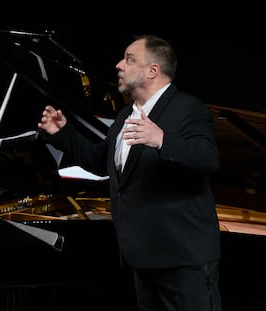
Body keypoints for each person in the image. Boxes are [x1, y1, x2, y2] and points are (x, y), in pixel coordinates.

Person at [38, 34, 222, 311]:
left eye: (129, 59)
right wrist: (63, 134)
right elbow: (102, 163)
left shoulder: (188, 108)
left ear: (153, 70)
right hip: (142, 258)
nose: (118, 65)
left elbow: (208, 159)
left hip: (184, 260)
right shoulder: (126, 115)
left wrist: (162, 140)